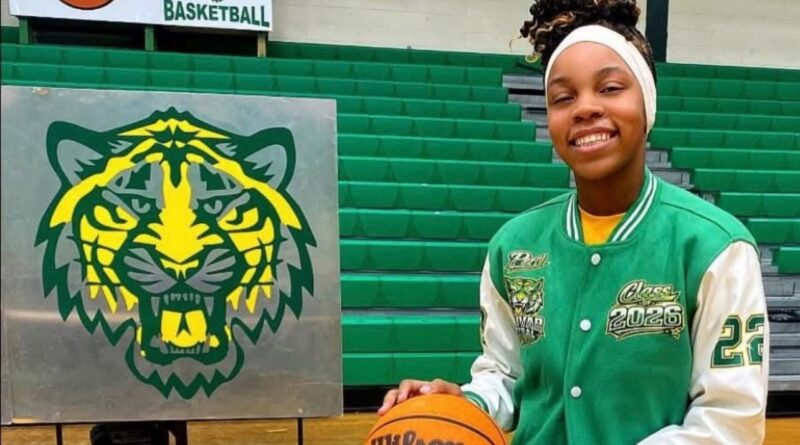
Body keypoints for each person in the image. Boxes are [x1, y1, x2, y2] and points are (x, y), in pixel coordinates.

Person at [377, 0, 770, 443]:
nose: (584, 108)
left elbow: (729, 420)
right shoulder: (513, 245)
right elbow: (505, 375)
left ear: (648, 104)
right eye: (563, 98)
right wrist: (463, 403)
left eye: (610, 88)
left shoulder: (717, 247)